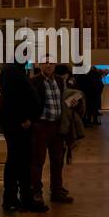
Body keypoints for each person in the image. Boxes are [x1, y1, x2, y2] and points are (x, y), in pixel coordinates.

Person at [0, 57, 45, 213]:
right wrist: (23, 118)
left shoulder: (14, 70)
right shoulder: (11, 71)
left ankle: (20, 198)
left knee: (21, 161)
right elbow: (12, 99)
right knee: (17, 161)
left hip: (19, 123)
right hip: (17, 125)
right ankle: (15, 199)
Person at [30, 59, 74, 204]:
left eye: (51, 63)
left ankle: (57, 190)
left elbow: (64, 100)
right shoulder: (34, 81)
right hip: (41, 126)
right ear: (40, 65)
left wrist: (72, 102)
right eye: (45, 62)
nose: (48, 65)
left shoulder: (60, 81)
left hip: (57, 126)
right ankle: (36, 192)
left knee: (57, 160)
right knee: (38, 160)